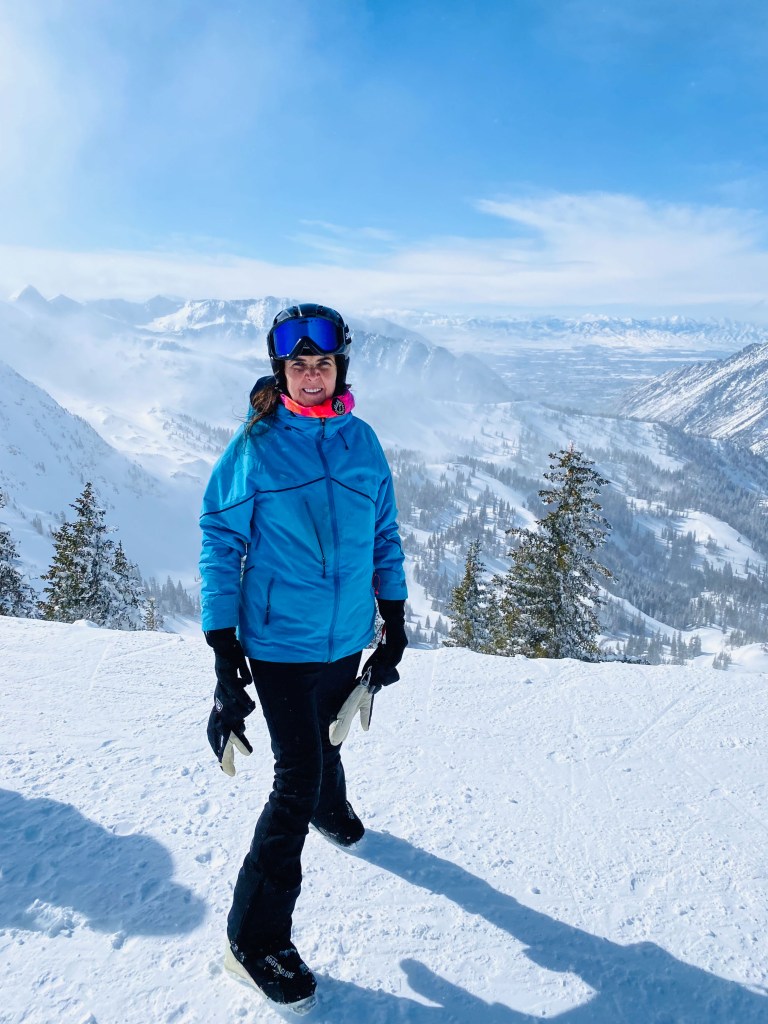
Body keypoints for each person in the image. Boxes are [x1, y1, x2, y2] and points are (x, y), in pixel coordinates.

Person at [198, 303, 408, 1012]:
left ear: (338, 368)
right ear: (280, 371)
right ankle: (251, 941)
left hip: (344, 634)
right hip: (279, 641)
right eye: (298, 364)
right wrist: (225, 658)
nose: (311, 374)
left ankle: (331, 805)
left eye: (322, 363)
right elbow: (219, 544)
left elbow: (384, 531)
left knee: (325, 735)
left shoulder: (362, 442)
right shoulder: (257, 446)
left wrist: (396, 617)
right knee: (294, 779)